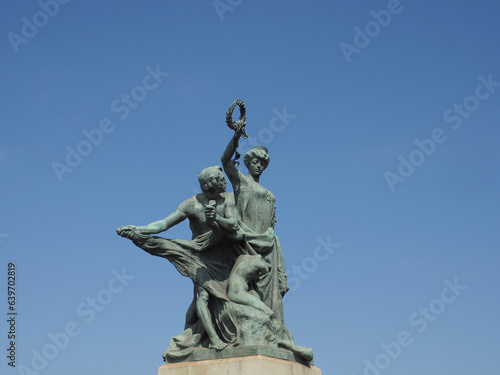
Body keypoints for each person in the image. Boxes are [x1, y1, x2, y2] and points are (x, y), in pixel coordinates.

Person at [117, 166, 239, 358]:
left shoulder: (229, 199)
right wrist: (139, 229)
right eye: (221, 178)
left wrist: (216, 218)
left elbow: (233, 224)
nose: (225, 180)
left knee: (225, 298)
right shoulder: (191, 204)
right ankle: (214, 339)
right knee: (203, 296)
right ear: (211, 182)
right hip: (198, 253)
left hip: (223, 255)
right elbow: (164, 224)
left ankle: (189, 334)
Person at [221, 129, 313, 362]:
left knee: (271, 295)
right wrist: (235, 137)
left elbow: (271, 222)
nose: (259, 166)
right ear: (248, 162)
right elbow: (225, 161)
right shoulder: (240, 182)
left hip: (267, 244)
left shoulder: (271, 195)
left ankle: (276, 333)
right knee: (239, 286)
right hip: (242, 242)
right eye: (255, 161)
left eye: (263, 163)